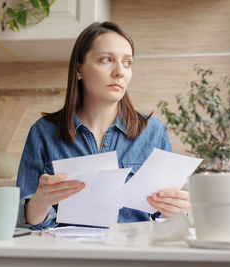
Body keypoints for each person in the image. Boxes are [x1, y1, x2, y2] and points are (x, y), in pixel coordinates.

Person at [16, 21, 190, 230]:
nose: (119, 72)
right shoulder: (43, 132)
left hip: (134, 258)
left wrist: (177, 211)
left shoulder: (153, 131)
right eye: (106, 60)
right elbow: (25, 223)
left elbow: (166, 220)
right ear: (79, 69)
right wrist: (41, 200)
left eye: (127, 63)